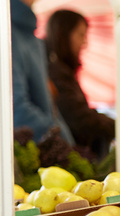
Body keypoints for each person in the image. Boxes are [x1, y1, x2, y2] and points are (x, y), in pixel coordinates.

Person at [9, 0, 74, 144]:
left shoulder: (27, 38)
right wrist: (62, 141)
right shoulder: (10, 37)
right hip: (33, 151)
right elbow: (16, 107)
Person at [46, 9, 114, 159]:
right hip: (68, 155)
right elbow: (78, 117)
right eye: (81, 35)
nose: (85, 43)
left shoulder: (60, 69)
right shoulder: (55, 72)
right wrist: (115, 126)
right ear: (63, 35)